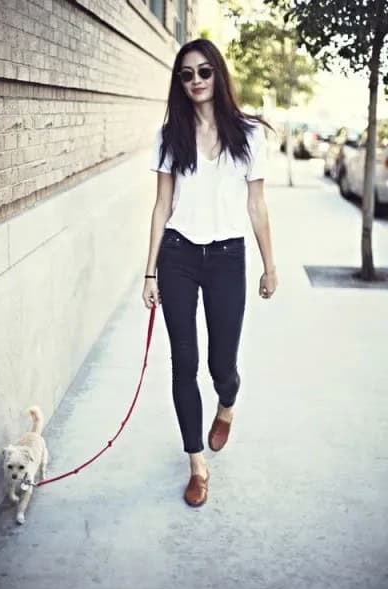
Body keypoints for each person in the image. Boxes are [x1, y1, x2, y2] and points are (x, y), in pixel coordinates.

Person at [142, 38, 277, 508]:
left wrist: (269, 264)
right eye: (186, 74)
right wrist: (149, 272)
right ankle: (197, 466)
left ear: (217, 74)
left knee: (223, 366)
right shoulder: (170, 136)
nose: (196, 80)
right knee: (184, 362)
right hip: (177, 256)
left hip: (226, 258)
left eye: (203, 71)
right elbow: (162, 205)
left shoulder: (250, 134)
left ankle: (227, 405)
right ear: (179, 83)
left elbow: (256, 204)